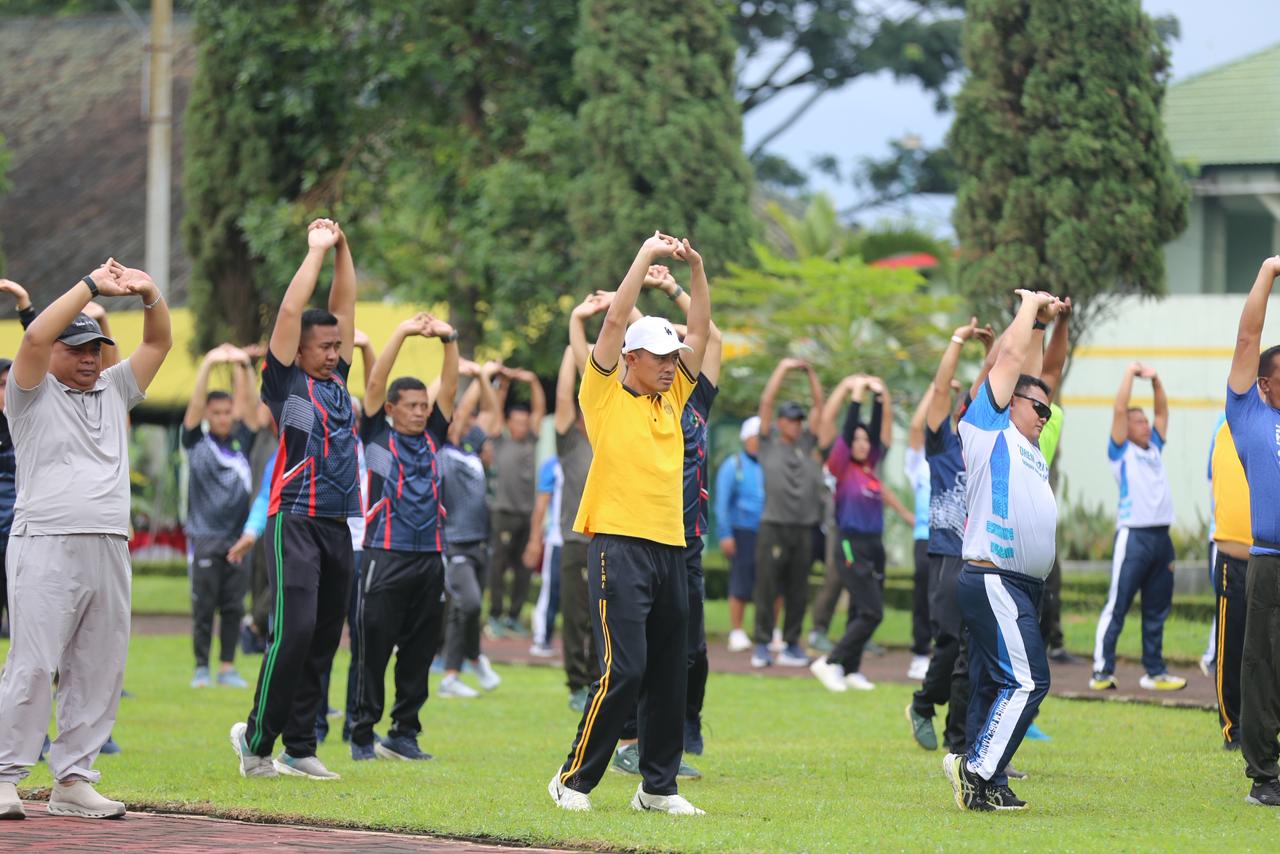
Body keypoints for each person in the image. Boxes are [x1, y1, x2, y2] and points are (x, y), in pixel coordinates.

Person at [0, 258, 170, 820]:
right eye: (77, 349)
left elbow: (159, 341)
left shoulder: (115, 389)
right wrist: (92, 286)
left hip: (108, 544)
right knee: (33, 663)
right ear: (53, 355)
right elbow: (34, 336)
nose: (89, 358)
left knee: (98, 666)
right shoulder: (28, 394)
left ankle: (73, 779)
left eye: (96, 349)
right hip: (45, 541)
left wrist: (148, 293)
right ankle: (5, 775)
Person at [548, 231, 709, 817]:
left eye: (674, 359)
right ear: (633, 360)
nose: (671, 366)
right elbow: (615, 320)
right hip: (618, 544)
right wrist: (644, 255)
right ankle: (572, 779)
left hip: (671, 546)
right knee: (627, 668)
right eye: (661, 358)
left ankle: (658, 787)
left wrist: (694, 268)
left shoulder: (673, 398)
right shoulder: (604, 394)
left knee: (672, 672)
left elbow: (704, 333)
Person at [230, 218, 359, 781]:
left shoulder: (337, 382)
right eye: (323, 347)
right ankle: (256, 742)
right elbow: (289, 313)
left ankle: (300, 746)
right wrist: (314, 251)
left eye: (337, 346)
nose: (333, 353)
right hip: (294, 519)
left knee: (327, 634)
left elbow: (346, 307)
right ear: (298, 350)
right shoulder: (286, 383)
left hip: (337, 523)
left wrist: (343, 251)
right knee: (296, 629)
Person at [943, 289, 1060, 813]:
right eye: (1037, 407)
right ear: (1007, 400)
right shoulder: (986, 429)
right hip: (995, 578)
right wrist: (1028, 307)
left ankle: (988, 783)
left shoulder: (1027, 442)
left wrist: (1042, 326)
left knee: (998, 684)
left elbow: (1032, 371)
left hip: (1020, 583)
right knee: (1030, 680)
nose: (1044, 414)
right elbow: (1009, 363)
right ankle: (976, 770)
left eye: (1047, 410)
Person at [348, 312, 458, 761]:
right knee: (372, 651)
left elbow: (449, 386)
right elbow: (375, 381)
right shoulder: (375, 434)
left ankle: (403, 733)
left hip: (430, 559)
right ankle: (360, 735)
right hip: (383, 556)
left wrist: (449, 339)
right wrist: (402, 331)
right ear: (391, 409)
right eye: (411, 405)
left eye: (423, 405)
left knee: (418, 654)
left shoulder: (434, 435)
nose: (420, 411)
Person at [906, 318, 992, 753]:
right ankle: (923, 704)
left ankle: (959, 737)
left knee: (969, 649)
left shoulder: (985, 445)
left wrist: (994, 347)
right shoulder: (942, 445)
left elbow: (993, 383)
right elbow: (942, 391)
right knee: (951, 642)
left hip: (979, 554)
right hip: (945, 553)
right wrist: (958, 341)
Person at [809, 375, 913, 692]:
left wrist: (881, 398)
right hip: (850, 544)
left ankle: (850, 669)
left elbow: (878, 428)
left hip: (873, 545)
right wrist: (856, 396)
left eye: (865, 440)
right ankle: (829, 662)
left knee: (859, 608)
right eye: (855, 439)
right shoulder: (841, 465)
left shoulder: (870, 467)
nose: (861, 443)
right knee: (872, 612)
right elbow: (848, 426)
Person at [1090, 362, 1185, 692]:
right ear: (1125, 428)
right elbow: (1119, 408)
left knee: (1157, 609)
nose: (1145, 425)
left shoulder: (1155, 448)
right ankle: (1102, 671)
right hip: (1134, 536)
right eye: (1138, 421)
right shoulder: (1120, 451)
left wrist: (1157, 380)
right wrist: (1130, 373)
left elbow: (1162, 412)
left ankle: (1154, 671)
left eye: (1145, 421)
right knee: (1118, 604)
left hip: (1162, 538)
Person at [1224, 255, 1280, 807]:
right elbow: (1248, 337)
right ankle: (1265, 776)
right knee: (1261, 666)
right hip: (1268, 561)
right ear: (1264, 384)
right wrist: (1267, 269)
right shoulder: (1251, 415)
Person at [183, 344, 261, 689]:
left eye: (227, 412)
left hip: (237, 539)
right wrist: (209, 362)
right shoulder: (194, 442)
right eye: (216, 413)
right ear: (208, 415)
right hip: (204, 537)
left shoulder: (243, 440)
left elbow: (252, 408)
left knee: (232, 607)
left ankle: (227, 667)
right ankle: (202, 667)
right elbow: (195, 405)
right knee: (204, 609)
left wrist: (244, 365)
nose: (223, 417)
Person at [753, 357, 826, 668]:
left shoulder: (807, 443)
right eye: (791, 420)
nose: (796, 424)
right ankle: (762, 644)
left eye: (799, 420)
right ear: (780, 422)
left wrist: (810, 373)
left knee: (798, 589)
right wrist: (782, 369)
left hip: (804, 526)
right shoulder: (767, 443)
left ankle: (793, 643)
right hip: (774, 525)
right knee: (767, 587)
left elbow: (819, 407)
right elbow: (766, 401)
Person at [437, 360, 504, 698]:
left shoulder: (469, 448)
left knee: (462, 608)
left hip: (480, 542)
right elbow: (462, 411)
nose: (462, 421)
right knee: (472, 604)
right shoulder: (441, 451)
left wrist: (482, 376)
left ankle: (450, 677)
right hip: (455, 542)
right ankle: (475, 658)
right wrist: (479, 375)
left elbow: (492, 416)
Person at [485, 367, 546, 637]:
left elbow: (540, 410)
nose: (522, 426)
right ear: (510, 423)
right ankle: (495, 615)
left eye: (525, 421)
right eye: (517, 422)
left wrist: (533, 380)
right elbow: (496, 409)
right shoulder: (500, 440)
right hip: (503, 512)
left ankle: (513, 617)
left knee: (525, 567)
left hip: (527, 513)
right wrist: (505, 386)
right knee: (497, 567)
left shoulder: (531, 441)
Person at [1208, 412, 1250, 750]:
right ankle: (1232, 728)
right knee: (1230, 649)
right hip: (1233, 561)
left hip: (1270, 559)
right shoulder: (1226, 428)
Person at [715, 416, 765, 654]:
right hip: (742, 530)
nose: (760, 442)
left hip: (768, 530)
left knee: (770, 582)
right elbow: (721, 502)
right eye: (757, 437)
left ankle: (769, 630)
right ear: (746, 439)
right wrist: (725, 534)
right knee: (741, 581)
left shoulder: (768, 464)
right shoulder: (733, 464)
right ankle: (736, 631)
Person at [905, 389, 934, 681]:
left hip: (953, 537)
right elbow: (915, 427)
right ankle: (920, 653)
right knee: (923, 594)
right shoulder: (919, 464)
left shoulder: (953, 457)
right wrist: (936, 391)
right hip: (925, 535)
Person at [527, 454, 564, 658]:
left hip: (586, 539)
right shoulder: (553, 464)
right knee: (552, 590)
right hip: (557, 538)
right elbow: (541, 504)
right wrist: (535, 540)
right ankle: (542, 638)